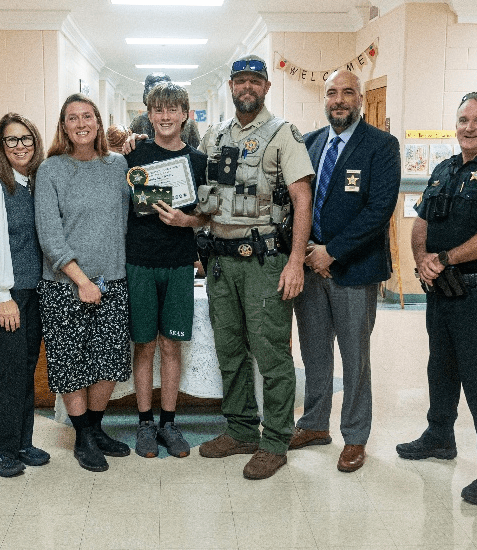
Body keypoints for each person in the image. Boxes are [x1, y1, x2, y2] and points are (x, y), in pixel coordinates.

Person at [397, 92, 477, 505]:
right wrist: (422, 259)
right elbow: (421, 220)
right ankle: (439, 437)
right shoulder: (444, 169)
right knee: (441, 367)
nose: (468, 127)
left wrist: (445, 258)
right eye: (463, 119)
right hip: (440, 287)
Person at [194, 55, 314, 479]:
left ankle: (277, 439)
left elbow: (302, 200)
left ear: (266, 87)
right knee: (229, 351)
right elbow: (206, 201)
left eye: (255, 81)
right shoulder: (215, 137)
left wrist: (296, 260)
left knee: (271, 353)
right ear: (230, 86)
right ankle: (241, 429)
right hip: (221, 264)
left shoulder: (283, 135)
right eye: (240, 80)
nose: (247, 87)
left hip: (264, 260)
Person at [290, 70, 401, 473]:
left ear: (360, 98)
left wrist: (331, 252)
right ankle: (315, 424)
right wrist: (304, 251)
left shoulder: (382, 146)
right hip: (309, 269)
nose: (339, 100)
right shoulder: (311, 142)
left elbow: (379, 209)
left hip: (354, 270)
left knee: (355, 358)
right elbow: (298, 202)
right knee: (315, 353)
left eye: (348, 93)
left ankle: (355, 437)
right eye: (332, 93)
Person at [34, 93, 132, 472]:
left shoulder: (117, 165)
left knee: (107, 362)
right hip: (64, 284)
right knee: (71, 363)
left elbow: (135, 211)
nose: (81, 123)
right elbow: (50, 233)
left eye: (87, 116)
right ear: (64, 126)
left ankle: (95, 427)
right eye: (72, 118)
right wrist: (80, 280)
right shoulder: (51, 170)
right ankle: (82, 437)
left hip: (114, 280)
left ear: (98, 122)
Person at [124, 82, 208, 458]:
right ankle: (145, 423)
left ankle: (169, 423)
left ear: (185, 114)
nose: (166, 117)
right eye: (159, 110)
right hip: (139, 261)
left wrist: (185, 221)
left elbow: (209, 214)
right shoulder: (134, 155)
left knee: (171, 344)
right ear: (149, 114)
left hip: (178, 264)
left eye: (173, 110)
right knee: (143, 345)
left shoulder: (198, 161)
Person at [0, 113, 49, 477]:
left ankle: (21, 441)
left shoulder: (33, 182)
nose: (20, 146)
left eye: (26, 139)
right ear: (1, 147)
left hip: (31, 290)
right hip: (4, 292)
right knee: (11, 369)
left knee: (26, 368)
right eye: (11, 140)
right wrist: (2, 295)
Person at [130, 73, 201, 149]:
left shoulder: (188, 124)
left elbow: (195, 149)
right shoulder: (138, 122)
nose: (165, 117)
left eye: (172, 110)